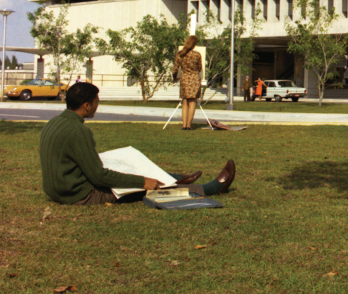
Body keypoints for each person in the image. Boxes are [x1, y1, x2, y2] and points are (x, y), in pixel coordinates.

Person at [39, 82, 236, 205]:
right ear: (86, 105)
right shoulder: (79, 131)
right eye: (97, 102)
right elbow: (98, 177)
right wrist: (142, 182)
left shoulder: (54, 123)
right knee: (152, 189)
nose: (98, 106)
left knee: (130, 170)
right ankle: (210, 188)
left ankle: (172, 177)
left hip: (59, 190)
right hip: (78, 194)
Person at [173, 35, 203, 130]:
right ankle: (189, 125)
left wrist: (174, 78)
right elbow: (199, 68)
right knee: (192, 101)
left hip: (184, 79)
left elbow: (175, 69)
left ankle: (184, 125)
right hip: (194, 79)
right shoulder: (197, 55)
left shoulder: (180, 54)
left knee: (185, 102)